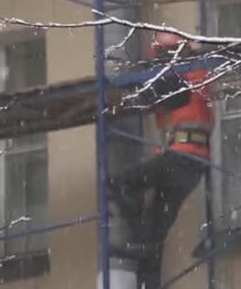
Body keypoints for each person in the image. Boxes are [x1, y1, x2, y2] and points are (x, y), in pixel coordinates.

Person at [99, 32, 214, 289]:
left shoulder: (192, 75)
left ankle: (136, 240)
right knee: (154, 235)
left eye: (166, 54)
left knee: (118, 182)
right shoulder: (180, 82)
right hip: (190, 164)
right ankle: (147, 274)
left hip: (182, 158)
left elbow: (177, 84)